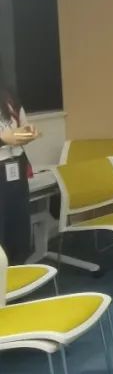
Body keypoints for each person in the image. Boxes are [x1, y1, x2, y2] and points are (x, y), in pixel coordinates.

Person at [0, 76, 40, 265]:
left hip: (15, 166)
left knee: (19, 225)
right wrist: (2, 139)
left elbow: (22, 126)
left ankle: (19, 270)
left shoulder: (9, 98)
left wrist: (28, 131)